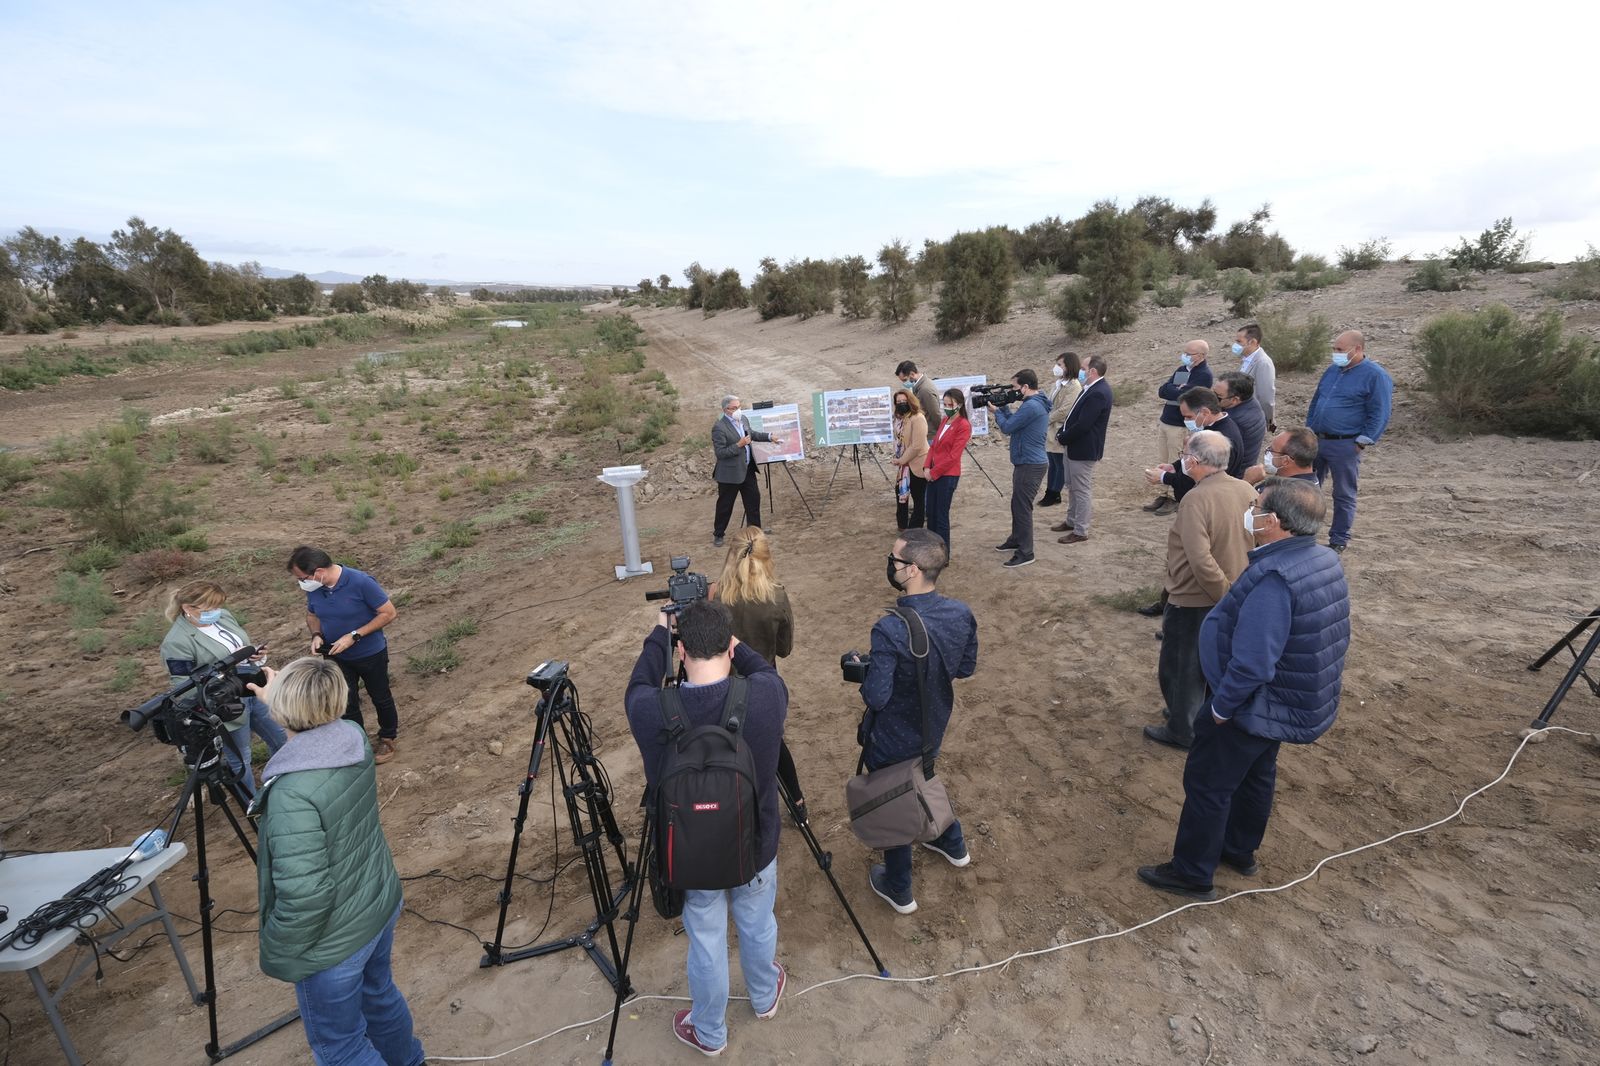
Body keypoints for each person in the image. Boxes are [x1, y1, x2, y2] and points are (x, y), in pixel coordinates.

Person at [1137, 478, 1351, 899]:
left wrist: (1222, 708)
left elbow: (1253, 661)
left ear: (1274, 522)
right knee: (1256, 775)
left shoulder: (1274, 577)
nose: (1249, 512)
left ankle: (1192, 872)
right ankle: (1239, 850)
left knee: (1208, 784)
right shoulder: (1323, 559)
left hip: (1250, 704)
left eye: (1256, 506)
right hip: (1284, 700)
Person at [624, 601, 789, 1056]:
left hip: (691, 855)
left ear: (681, 653)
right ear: (730, 648)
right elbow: (764, 670)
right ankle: (763, 995)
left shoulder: (651, 710)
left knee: (707, 942)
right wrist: (738, 645)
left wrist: (660, 633)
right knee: (757, 922)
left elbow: (637, 685)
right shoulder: (767, 696)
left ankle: (710, 1032)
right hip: (756, 846)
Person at [248, 656, 424, 1066]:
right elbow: (311, 741)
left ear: (281, 710)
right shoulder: (352, 737)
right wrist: (285, 700)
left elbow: (305, 895)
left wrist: (279, 946)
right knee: (379, 997)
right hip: (375, 902)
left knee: (342, 1047)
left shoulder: (291, 793)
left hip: (334, 940)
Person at [853, 530, 978, 914]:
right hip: (933, 724)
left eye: (893, 559)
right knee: (922, 777)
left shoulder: (890, 628)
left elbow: (877, 696)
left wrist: (866, 672)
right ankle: (951, 842)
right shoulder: (961, 613)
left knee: (894, 799)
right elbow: (965, 667)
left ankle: (899, 887)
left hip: (893, 734)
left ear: (911, 570)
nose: (889, 564)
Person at [1144, 430, 1258, 752]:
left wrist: (1224, 595)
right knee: (1211, 664)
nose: (1182, 461)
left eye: (1184, 456)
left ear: (1193, 461)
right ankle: (1194, 714)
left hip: (1196, 597)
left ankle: (1182, 729)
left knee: (1181, 666)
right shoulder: (1247, 489)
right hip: (1235, 591)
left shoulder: (1196, 499)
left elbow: (1200, 560)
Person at [159, 580, 286, 798]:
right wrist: (222, 680)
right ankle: (251, 803)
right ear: (188, 608)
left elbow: (239, 648)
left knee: (281, 739)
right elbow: (183, 687)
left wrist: (255, 656)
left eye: (218, 606)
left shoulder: (223, 617)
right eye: (210, 608)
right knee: (241, 758)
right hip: (227, 705)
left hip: (253, 690)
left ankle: (285, 785)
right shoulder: (177, 642)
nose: (216, 612)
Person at [287, 546, 402, 765]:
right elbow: (312, 615)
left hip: (370, 654)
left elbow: (389, 613)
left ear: (319, 572)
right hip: (335, 656)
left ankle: (388, 737)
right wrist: (316, 635)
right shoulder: (315, 588)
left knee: (380, 696)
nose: (301, 583)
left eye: (302, 578)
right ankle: (358, 742)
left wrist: (354, 636)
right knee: (346, 702)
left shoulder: (361, 582)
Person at [1305, 330, 1393, 553]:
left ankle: (1338, 539)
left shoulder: (1375, 375)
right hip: (1318, 440)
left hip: (1345, 444)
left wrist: (1363, 441)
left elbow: (1380, 412)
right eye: (1334, 349)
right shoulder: (1332, 370)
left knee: (1343, 493)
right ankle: (1304, 532)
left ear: (1358, 349)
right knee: (1307, 487)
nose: (1335, 353)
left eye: (1340, 350)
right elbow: (1317, 401)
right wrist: (1310, 428)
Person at [1143, 386, 1246, 504]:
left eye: (1189, 417)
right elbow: (1195, 459)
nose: (1186, 421)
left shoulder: (1219, 439)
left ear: (1205, 412)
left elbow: (1199, 479)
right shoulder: (1216, 427)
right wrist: (1174, 467)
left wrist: (1164, 477)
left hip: (1207, 502)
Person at [990, 369, 1050, 569]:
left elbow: (1007, 428)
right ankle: (1016, 539)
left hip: (1030, 464)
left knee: (1022, 508)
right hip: (1027, 462)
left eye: (1015, 387)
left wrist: (997, 412)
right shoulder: (1032, 403)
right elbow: (1014, 424)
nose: (1013, 391)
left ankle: (1026, 552)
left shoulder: (1031, 406)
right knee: (1018, 504)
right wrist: (1003, 407)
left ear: (1025, 387)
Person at [1049, 354, 1111, 545]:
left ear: (1092, 371)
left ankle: (1080, 530)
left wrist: (1063, 436)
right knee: (1072, 486)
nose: (1080, 371)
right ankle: (1071, 521)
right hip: (1074, 446)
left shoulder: (1099, 392)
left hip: (1083, 449)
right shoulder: (1089, 388)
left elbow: (1084, 424)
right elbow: (1074, 417)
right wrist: (1063, 432)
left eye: (1083, 368)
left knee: (1081, 489)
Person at [1145, 340, 1213, 515]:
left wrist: (1176, 390)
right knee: (1164, 460)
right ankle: (1163, 494)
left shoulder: (1204, 374)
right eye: (1185, 352)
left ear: (1201, 356)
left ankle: (1174, 497)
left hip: (1180, 425)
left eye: (1189, 354)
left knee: (1177, 461)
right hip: (1166, 420)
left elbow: (1187, 397)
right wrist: (1177, 390)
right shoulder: (1182, 370)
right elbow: (1163, 390)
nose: (1185, 356)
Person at [709, 527, 793, 667]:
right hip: (763, 674)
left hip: (726, 676)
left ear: (731, 557)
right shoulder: (777, 597)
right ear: (766, 557)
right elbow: (784, 649)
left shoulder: (715, 595)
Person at [710, 394, 774, 549]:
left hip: (747, 469)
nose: (738, 410)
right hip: (729, 475)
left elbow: (752, 434)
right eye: (734, 408)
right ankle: (719, 534)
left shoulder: (743, 419)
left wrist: (770, 436)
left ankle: (754, 533)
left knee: (753, 502)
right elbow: (720, 453)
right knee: (725, 506)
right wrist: (739, 445)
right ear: (726, 410)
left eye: (739, 406)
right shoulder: (719, 427)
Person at [924, 387, 972, 553]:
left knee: (941, 516)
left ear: (959, 405)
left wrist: (933, 472)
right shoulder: (945, 420)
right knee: (930, 513)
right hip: (933, 473)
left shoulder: (963, 425)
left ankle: (943, 554)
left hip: (947, 476)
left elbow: (953, 456)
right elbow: (933, 446)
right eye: (944, 404)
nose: (946, 407)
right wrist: (926, 466)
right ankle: (931, 551)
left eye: (950, 405)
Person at [1040, 351, 1083, 508]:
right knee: (1052, 462)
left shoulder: (1074, 386)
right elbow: (1050, 403)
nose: (1056, 367)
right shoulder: (1058, 383)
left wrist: (1045, 419)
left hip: (1060, 428)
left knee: (1059, 463)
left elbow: (1065, 409)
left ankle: (1054, 493)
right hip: (1051, 428)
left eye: (1060, 364)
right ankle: (1050, 492)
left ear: (1068, 366)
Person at [891, 388, 930, 530]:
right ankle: (902, 525)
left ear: (910, 401)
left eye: (904, 400)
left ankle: (915, 529)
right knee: (900, 493)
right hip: (904, 465)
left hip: (918, 463)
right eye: (898, 402)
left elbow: (917, 445)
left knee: (918, 498)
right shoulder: (900, 418)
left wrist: (901, 460)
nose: (901, 403)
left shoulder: (918, 418)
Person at [1215, 371, 1266, 465]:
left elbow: (1216, 452)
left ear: (1235, 399)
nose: (1213, 398)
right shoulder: (1250, 401)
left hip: (1235, 470)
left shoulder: (1234, 421)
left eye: (1218, 397)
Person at [1233, 324, 1277, 432]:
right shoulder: (1247, 359)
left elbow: (1266, 397)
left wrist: (1268, 421)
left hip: (1252, 420)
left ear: (1252, 342)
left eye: (1239, 341)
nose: (1235, 345)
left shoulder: (1263, 363)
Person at [1245, 427, 1319, 485]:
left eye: (1271, 450)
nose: (1268, 453)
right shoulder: (1308, 483)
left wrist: (1248, 482)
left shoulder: (1283, 494)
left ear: (1285, 460)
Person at [895, 360, 942, 439]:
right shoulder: (919, 387)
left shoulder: (925, 389)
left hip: (930, 435)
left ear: (912, 374)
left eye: (905, 380)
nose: (904, 383)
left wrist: (941, 433)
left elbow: (935, 414)